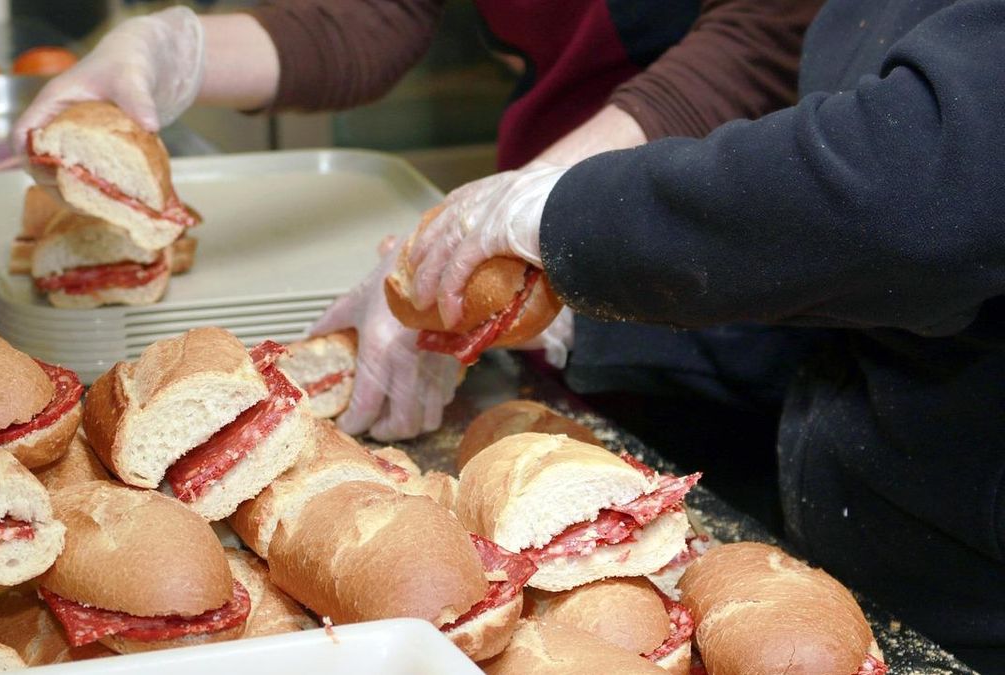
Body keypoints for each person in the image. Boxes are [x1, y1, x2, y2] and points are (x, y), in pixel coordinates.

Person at [393, 0, 1005, 669]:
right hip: (856, 531)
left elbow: (923, 183)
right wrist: (580, 314)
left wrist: (567, 217)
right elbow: (834, 265)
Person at [14, 0, 821, 440]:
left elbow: (759, 42)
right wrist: (170, 49)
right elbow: (375, 13)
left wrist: (521, 211)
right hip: (542, 238)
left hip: (721, 251)